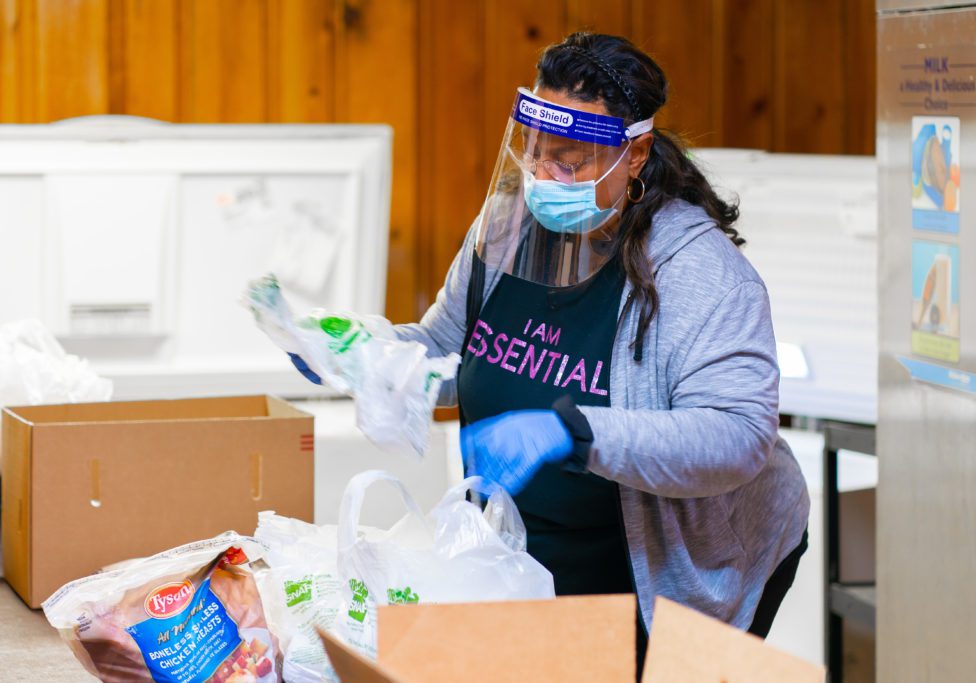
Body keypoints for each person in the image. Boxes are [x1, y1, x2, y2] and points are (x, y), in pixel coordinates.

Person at [293, 31, 809, 675]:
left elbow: (738, 437)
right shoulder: (506, 230)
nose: (545, 178)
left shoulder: (700, 273)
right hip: (526, 555)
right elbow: (445, 351)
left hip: (672, 572)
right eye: (536, 156)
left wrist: (575, 431)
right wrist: (358, 352)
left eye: (572, 162)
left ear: (637, 152)